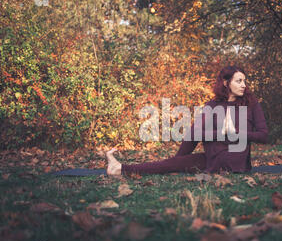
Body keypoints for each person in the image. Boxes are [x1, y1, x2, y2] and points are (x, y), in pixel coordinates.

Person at [106, 66, 269, 178]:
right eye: (239, 81)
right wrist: (177, 160)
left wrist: (236, 133)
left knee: (176, 162)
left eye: (244, 81)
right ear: (226, 83)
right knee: (169, 163)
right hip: (213, 159)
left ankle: (123, 168)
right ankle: (119, 168)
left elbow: (263, 136)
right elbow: (195, 134)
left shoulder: (251, 104)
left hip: (235, 163)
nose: (243, 85)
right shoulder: (212, 105)